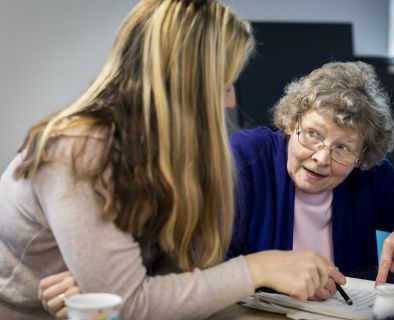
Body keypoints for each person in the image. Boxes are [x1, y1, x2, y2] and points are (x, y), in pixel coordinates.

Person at [0, 1, 345, 319]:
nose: (229, 101)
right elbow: (131, 303)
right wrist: (260, 268)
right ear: (187, 85)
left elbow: (179, 278)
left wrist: (112, 287)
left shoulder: (167, 154)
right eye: (224, 84)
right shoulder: (77, 149)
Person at [227, 61, 394, 285]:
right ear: (290, 124)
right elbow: (208, 266)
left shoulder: (367, 177)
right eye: (312, 134)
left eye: (342, 148)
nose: (321, 158)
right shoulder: (248, 158)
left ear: (362, 156)